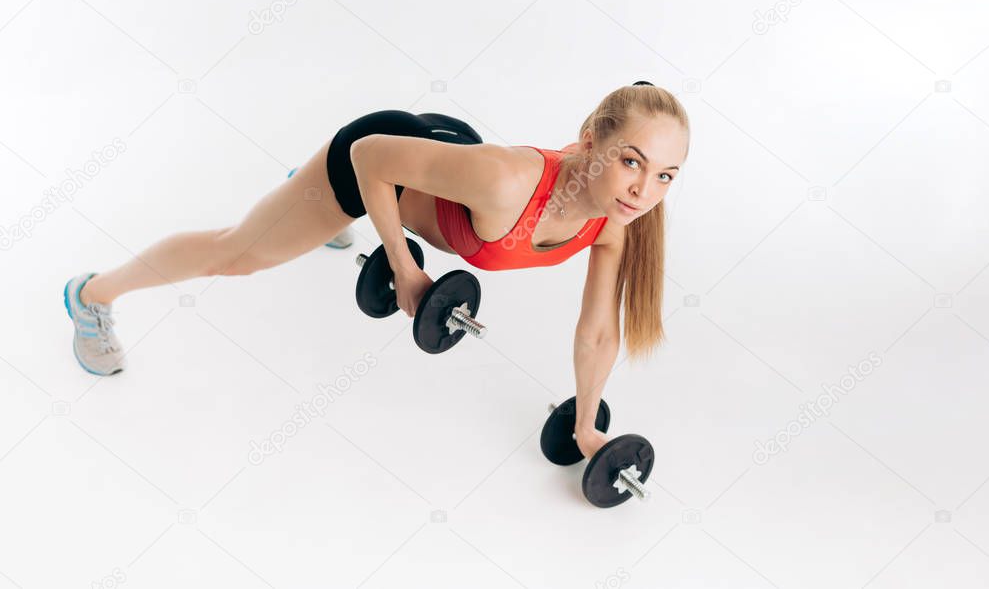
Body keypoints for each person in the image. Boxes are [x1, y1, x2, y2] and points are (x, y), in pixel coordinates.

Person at [63, 83, 690, 458]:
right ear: (589, 139)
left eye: (664, 175)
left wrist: (585, 426)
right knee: (239, 255)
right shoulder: (507, 181)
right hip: (377, 156)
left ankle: (312, 212)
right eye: (631, 161)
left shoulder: (613, 218)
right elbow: (370, 156)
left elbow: (598, 333)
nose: (643, 189)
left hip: (441, 166)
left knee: (358, 214)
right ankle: (91, 294)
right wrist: (402, 268)